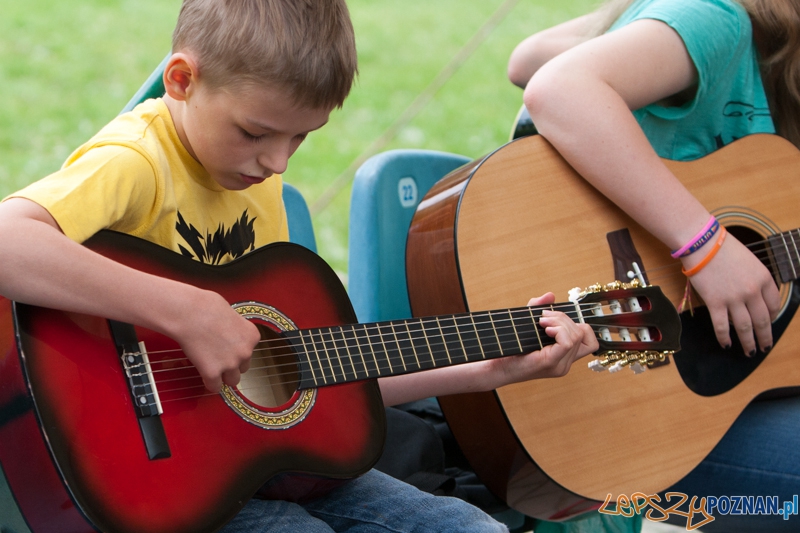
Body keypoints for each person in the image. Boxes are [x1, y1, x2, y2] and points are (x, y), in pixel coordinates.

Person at [0, 1, 598, 531]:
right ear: (182, 80)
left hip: (246, 470)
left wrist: (480, 370)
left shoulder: (255, 186)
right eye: (255, 131)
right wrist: (184, 309)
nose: (277, 161)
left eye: (301, 138)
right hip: (144, 482)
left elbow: (310, 384)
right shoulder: (137, 161)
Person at [508, 0, 800, 531]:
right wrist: (706, 246)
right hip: (608, 394)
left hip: (711, 391)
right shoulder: (720, 18)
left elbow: (529, 56)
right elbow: (556, 87)